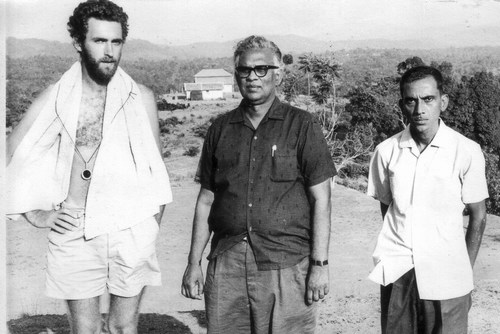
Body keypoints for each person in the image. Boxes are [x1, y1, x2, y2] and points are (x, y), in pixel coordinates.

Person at [6, 0, 172, 332]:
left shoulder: (141, 98)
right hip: (75, 226)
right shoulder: (54, 97)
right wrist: (35, 213)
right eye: (99, 41)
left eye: (116, 41)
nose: (109, 51)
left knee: (124, 328)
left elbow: (156, 173)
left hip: (131, 223)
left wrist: (149, 226)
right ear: (79, 43)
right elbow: (11, 154)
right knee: (86, 330)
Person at [181, 35, 337, 334]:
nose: (253, 77)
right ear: (236, 74)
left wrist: (319, 265)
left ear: (278, 74)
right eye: (244, 70)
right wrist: (193, 263)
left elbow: (322, 199)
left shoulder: (302, 125)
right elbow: (206, 200)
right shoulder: (220, 128)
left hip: (286, 260)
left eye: (262, 69)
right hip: (227, 261)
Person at [367, 65, 488, 334]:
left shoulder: (466, 151)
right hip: (399, 271)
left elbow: (478, 216)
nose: (419, 109)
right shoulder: (386, 152)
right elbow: (388, 211)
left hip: (447, 275)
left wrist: (463, 272)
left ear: (442, 102)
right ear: (402, 105)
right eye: (411, 100)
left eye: (428, 99)